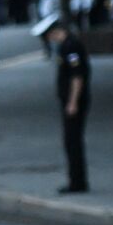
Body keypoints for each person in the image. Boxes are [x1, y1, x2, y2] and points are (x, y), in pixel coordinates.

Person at [32, 14, 91, 193]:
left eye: (48, 35)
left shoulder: (70, 47)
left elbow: (77, 77)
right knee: (70, 141)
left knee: (73, 141)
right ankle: (76, 180)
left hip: (74, 101)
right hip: (70, 100)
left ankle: (78, 183)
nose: (49, 39)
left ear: (55, 32)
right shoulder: (66, 46)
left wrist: (73, 102)